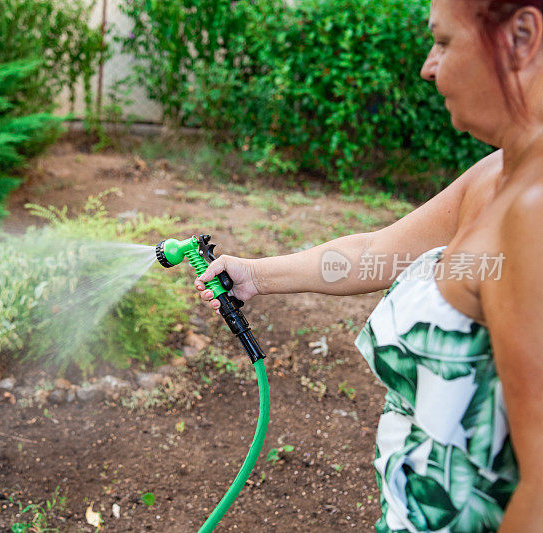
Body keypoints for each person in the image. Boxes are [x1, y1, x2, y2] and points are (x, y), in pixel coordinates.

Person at [194, 0, 543, 530]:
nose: (429, 65)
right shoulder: (495, 176)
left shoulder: (534, 212)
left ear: (522, 35)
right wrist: (256, 275)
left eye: (444, 41)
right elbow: (374, 253)